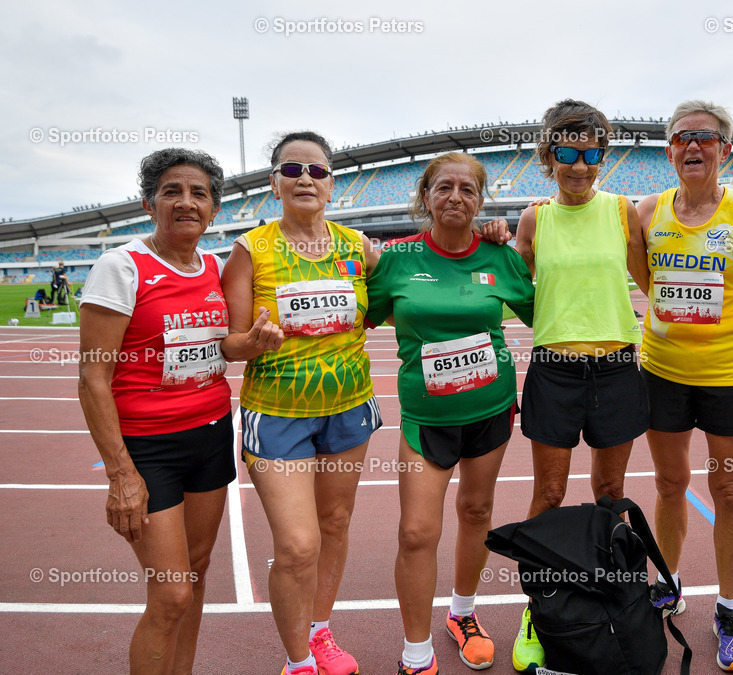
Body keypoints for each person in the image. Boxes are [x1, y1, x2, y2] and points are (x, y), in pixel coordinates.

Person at [482, 98, 650, 673]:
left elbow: (651, 281)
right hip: (554, 369)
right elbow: (514, 284)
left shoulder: (623, 211)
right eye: (568, 153)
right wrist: (494, 240)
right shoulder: (535, 219)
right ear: (548, 156)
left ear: (602, 156)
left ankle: (620, 602)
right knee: (549, 496)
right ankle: (538, 610)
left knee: (611, 494)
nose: (580, 166)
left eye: (592, 154)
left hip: (617, 368)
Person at [365, 152, 535, 675]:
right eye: (444, 187)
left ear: (480, 201)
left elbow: (546, 316)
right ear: (426, 196)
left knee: (477, 512)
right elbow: (357, 321)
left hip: (491, 410)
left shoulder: (500, 257)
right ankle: (416, 652)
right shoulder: (397, 258)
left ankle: (463, 614)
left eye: (467, 188)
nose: (455, 196)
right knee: (417, 532)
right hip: (426, 418)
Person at [221, 131, 381, 675]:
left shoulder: (358, 247)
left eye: (317, 170)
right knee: (296, 544)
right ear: (275, 184)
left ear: (333, 185)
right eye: (292, 170)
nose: (305, 179)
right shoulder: (250, 249)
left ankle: (319, 632)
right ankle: (298, 663)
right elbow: (230, 344)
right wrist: (253, 342)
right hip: (278, 413)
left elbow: (393, 303)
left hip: (349, 406)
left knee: (334, 523)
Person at [78, 148, 243, 673]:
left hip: (211, 434)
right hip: (148, 448)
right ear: (149, 204)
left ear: (214, 209)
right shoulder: (121, 267)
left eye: (199, 193)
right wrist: (121, 474)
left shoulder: (216, 268)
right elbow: (93, 378)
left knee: (196, 571)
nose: (186, 202)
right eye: (172, 191)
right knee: (171, 593)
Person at [638, 100, 733, 671]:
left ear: (725, 149)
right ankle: (668, 584)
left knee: (728, 492)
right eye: (681, 138)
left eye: (705, 137)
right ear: (669, 150)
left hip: (728, 376)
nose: (692, 146)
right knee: (670, 483)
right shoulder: (646, 211)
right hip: (663, 373)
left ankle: (727, 609)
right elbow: (646, 282)